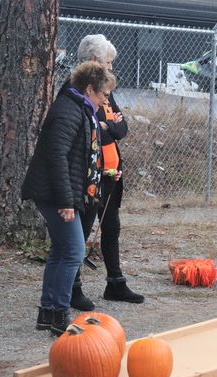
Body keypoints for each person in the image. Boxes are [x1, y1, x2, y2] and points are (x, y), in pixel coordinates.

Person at [21, 62, 116, 335]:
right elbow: (57, 158)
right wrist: (65, 202)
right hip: (54, 193)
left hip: (58, 191)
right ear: (89, 89)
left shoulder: (79, 108)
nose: (105, 100)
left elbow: (77, 157)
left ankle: (47, 312)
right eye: (103, 95)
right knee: (74, 251)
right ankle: (60, 316)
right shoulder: (68, 111)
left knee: (62, 251)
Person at [62, 34, 144, 310]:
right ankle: (72, 288)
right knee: (81, 231)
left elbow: (121, 129)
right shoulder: (75, 89)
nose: (111, 67)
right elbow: (91, 129)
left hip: (112, 171)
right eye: (109, 62)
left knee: (111, 226)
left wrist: (108, 126)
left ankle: (115, 283)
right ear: (95, 60)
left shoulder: (106, 89)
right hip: (89, 173)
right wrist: (107, 126)